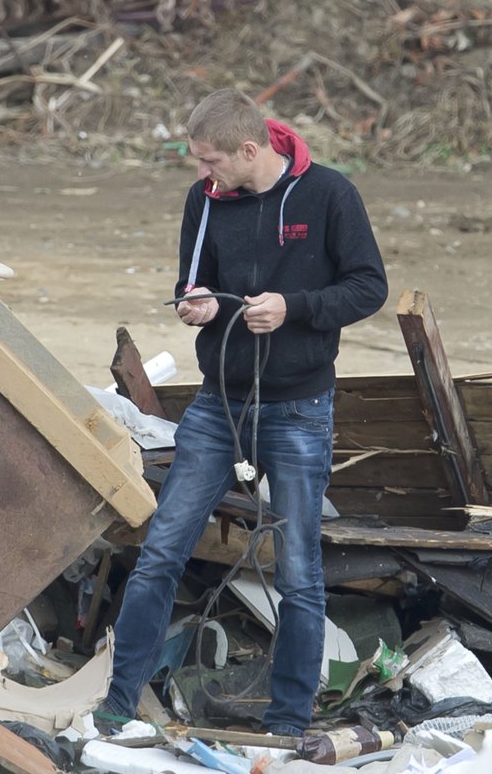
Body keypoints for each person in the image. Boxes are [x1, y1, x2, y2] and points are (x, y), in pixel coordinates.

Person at [101, 87, 388, 736]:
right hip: (217, 405)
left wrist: (294, 307)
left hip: (300, 407)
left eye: (211, 162)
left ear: (249, 149)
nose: (204, 175)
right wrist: (194, 303)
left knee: (299, 574)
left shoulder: (329, 195)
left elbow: (369, 285)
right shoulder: (204, 202)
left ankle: (288, 724)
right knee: (160, 551)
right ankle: (118, 707)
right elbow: (191, 283)